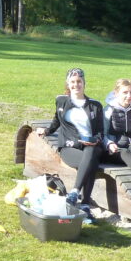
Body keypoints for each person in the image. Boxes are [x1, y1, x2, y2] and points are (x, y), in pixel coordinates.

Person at [36, 68, 103, 213]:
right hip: (69, 147)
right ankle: (85, 205)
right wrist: (47, 131)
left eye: (79, 81)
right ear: (68, 83)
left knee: (91, 153)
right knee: (91, 164)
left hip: (90, 147)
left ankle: (75, 192)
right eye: (72, 82)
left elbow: (100, 132)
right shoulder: (61, 100)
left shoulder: (95, 105)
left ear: (84, 83)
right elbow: (56, 120)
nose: (76, 85)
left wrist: (94, 140)